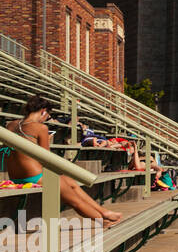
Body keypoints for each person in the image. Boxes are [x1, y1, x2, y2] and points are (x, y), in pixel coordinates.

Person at [3, 96, 122, 226]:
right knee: (74, 199)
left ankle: (103, 212)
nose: (46, 119)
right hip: (34, 176)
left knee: (71, 182)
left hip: (15, 176)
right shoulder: (40, 128)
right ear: (43, 111)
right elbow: (47, 158)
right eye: (47, 115)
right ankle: (102, 220)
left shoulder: (11, 125)